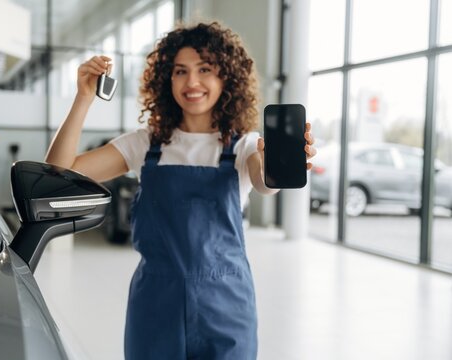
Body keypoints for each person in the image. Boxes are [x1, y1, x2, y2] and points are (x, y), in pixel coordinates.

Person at [46, 21, 316, 360]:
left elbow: (263, 182)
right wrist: (83, 97)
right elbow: (57, 172)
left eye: (205, 69)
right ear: (166, 79)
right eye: (180, 71)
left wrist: (274, 166)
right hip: (156, 304)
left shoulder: (245, 147)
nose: (192, 82)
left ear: (226, 78)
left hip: (226, 306)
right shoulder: (145, 144)